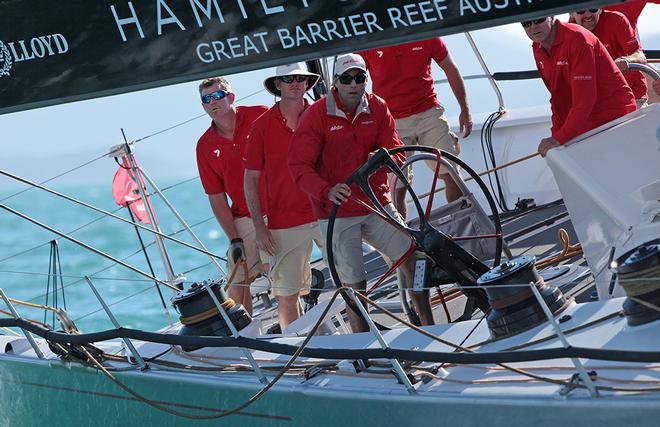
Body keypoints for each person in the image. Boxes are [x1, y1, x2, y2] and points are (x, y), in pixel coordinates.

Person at [288, 53, 435, 333]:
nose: (354, 84)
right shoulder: (316, 115)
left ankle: (430, 328)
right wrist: (327, 190)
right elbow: (298, 166)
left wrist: (385, 156)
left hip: (376, 203)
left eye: (359, 78)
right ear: (335, 82)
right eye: (347, 79)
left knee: (413, 260)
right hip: (337, 212)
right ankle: (364, 349)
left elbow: (397, 151)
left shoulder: (378, 107)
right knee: (355, 285)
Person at [244, 63, 323, 329]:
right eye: (289, 78)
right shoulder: (261, 127)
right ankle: (297, 354)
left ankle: (364, 340)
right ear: (278, 84)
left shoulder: (322, 114)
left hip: (327, 212)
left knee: (352, 280)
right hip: (284, 221)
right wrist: (258, 227)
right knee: (286, 295)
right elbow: (251, 179)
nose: (295, 83)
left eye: (301, 78)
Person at [358, 38, 472, 219]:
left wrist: (465, 109)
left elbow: (450, 68)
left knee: (450, 172)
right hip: (390, 120)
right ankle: (404, 240)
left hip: (428, 111)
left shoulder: (426, 35)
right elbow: (352, 83)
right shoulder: (367, 42)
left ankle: (462, 225)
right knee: (396, 186)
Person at [195, 77, 268, 315]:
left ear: (231, 97)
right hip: (245, 217)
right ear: (204, 106)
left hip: (280, 209)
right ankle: (246, 340)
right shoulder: (204, 145)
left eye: (217, 96)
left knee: (279, 274)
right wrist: (235, 239)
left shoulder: (261, 115)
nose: (212, 102)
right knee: (237, 281)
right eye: (207, 99)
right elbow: (216, 198)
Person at [521, 17, 636, 157]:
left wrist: (559, 138)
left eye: (538, 20)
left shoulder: (578, 38)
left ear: (551, 17)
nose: (533, 27)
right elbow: (557, 99)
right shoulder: (537, 47)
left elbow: (585, 101)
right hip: (586, 124)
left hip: (613, 121)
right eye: (526, 23)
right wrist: (556, 136)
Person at [570, 8, 648, 108]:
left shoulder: (617, 20)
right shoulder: (567, 32)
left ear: (600, 9)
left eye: (593, 8)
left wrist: (626, 61)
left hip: (631, 98)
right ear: (572, 13)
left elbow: (640, 56)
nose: (588, 14)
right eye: (581, 10)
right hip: (595, 106)